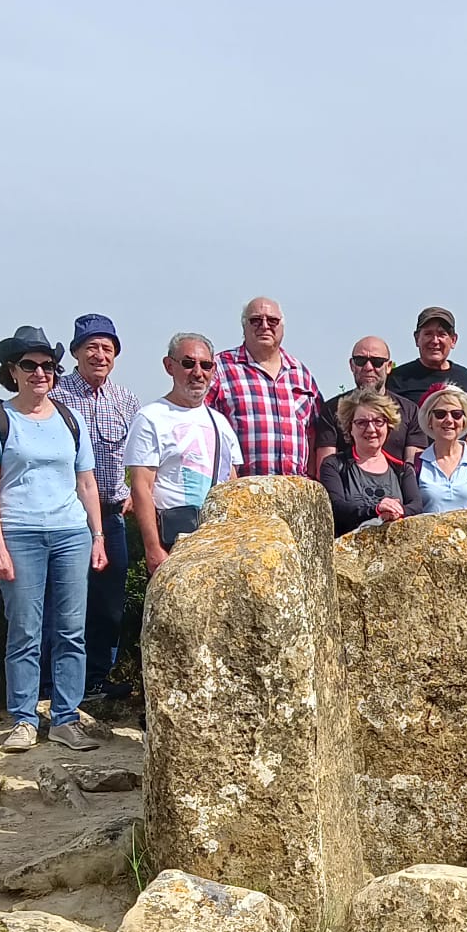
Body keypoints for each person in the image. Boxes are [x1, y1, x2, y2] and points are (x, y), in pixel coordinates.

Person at [0, 325, 108, 753]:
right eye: (29, 365)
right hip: (20, 533)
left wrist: (98, 536)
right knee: (25, 631)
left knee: (71, 630)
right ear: (11, 371)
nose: (39, 373)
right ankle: (24, 719)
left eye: (47, 365)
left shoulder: (71, 419)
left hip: (71, 532)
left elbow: (86, 483)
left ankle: (66, 717)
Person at [52, 314, 140, 702]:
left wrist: (134, 494)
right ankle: (54, 684)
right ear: (75, 353)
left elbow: (138, 455)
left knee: (107, 603)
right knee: (65, 600)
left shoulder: (126, 399)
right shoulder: (56, 395)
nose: (99, 355)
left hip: (112, 513)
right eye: (91, 347)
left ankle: (97, 679)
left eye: (107, 348)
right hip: (67, 515)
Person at [125, 332, 243, 568]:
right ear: (169, 366)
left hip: (219, 540)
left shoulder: (221, 422)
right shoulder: (151, 418)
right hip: (174, 541)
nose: (198, 373)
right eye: (188, 364)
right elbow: (141, 487)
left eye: (205, 365)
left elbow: (232, 484)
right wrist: (153, 548)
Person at [207, 296, 323, 477]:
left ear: (282, 327)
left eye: (272, 320)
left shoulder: (301, 374)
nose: (264, 325)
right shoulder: (220, 368)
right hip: (241, 491)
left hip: (294, 492)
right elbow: (200, 427)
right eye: (255, 320)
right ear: (244, 327)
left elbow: (316, 434)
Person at [311, 336, 425, 472]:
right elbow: (324, 470)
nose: (368, 367)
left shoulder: (410, 411)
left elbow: (414, 470)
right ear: (352, 365)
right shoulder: (332, 409)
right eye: (361, 360)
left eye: (377, 362)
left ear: (389, 367)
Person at [320, 388, 422, 534]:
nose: (371, 429)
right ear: (350, 428)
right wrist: (376, 509)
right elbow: (336, 507)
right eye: (362, 422)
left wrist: (396, 512)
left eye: (378, 421)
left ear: (389, 426)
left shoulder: (402, 470)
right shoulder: (334, 465)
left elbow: (417, 506)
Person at [387, 306, 467, 447]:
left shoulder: (465, 377)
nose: (435, 340)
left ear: (453, 340)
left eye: (441, 334)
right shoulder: (398, 378)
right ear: (417, 339)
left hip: (456, 463)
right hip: (411, 464)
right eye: (428, 334)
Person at [413, 385, 467, 513]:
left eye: (456, 414)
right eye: (440, 414)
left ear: (464, 421)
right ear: (430, 420)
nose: (449, 420)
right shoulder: (417, 464)